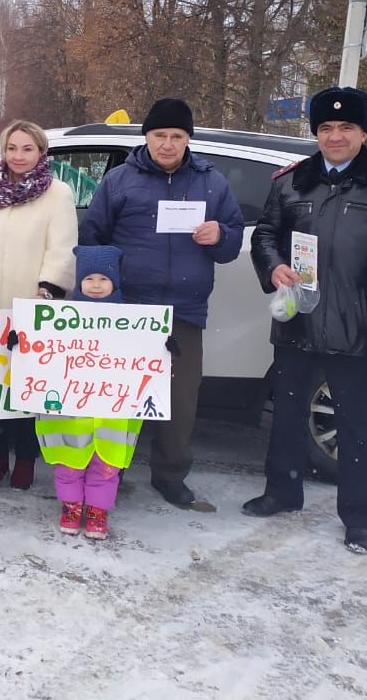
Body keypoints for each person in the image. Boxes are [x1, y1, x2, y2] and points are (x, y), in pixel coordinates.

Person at [244, 86, 367, 553]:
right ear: (316, 133)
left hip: (357, 326)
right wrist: (272, 266)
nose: (335, 136)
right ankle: (282, 492)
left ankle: (360, 516)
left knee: (355, 426)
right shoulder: (291, 181)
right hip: (297, 321)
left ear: (363, 132)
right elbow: (266, 234)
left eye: (346, 127)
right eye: (326, 127)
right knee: (286, 414)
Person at [79, 98, 244, 510]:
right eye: (159, 135)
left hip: (184, 311)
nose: (168, 144)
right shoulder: (119, 180)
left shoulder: (212, 183)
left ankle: (170, 475)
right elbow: (92, 237)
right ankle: (108, 469)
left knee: (180, 400)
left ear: (188, 139)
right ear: (146, 137)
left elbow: (234, 240)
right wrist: (101, 288)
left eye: (177, 136)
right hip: (128, 310)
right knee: (116, 396)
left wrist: (220, 235)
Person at [0, 120, 77, 490]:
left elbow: (62, 248)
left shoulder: (58, 193)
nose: (18, 156)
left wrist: (47, 293)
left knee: (29, 389)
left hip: (32, 306)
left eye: (27, 148)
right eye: (12, 148)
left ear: (41, 151)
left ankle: (25, 460)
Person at [34, 245, 156, 540]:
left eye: (104, 279)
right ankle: (72, 507)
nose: (97, 285)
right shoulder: (60, 319)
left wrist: (162, 348)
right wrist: (23, 342)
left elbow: (145, 357)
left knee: (106, 468)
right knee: (68, 463)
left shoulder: (134, 322)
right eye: (89, 279)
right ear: (79, 283)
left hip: (111, 416)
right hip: (70, 414)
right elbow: (42, 351)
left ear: (115, 282)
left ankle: (98, 511)